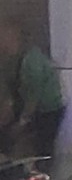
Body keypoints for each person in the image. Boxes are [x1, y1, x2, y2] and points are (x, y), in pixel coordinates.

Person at [0, 18, 65, 161]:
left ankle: (44, 175)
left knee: (42, 149)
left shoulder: (32, 60)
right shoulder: (13, 59)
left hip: (48, 109)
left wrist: (22, 122)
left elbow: (32, 98)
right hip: (30, 107)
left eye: (7, 38)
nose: (4, 42)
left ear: (18, 39)